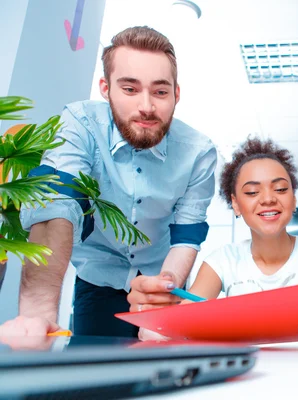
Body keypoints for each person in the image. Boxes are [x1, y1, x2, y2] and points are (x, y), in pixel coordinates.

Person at [0, 26, 216, 337]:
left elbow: (187, 235)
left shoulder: (199, 152)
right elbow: (57, 205)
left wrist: (163, 287)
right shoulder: (79, 124)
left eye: (160, 91)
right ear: (106, 88)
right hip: (97, 281)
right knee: (92, 375)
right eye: (130, 89)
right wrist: (38, 314)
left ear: (176, 93)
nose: (147, 106)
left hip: (164, 279)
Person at [138, 138, 298, 352]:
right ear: (236, 204)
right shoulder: (221, 261)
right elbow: (169, 328)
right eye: (252, 193)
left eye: (281, 189)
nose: (269, 199)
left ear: (293, 200)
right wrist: (154, 316)